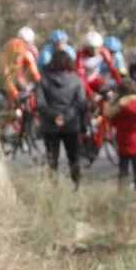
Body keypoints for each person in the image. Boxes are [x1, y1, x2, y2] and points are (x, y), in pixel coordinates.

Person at [35, 50, 88, 188]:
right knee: (73, 157)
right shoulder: (76, 80)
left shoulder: (44, 80)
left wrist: (54, 116)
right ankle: (76, 185)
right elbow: (80, 103)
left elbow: (40, 103)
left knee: (52, 159)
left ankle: (53, 187)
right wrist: (68, 117)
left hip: (50, 125)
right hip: (71, 124)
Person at [106, 77, 136, 197]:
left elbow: (112, 120)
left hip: (123, 140)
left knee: (123, 167)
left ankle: (122, 191)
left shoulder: (118, 106)